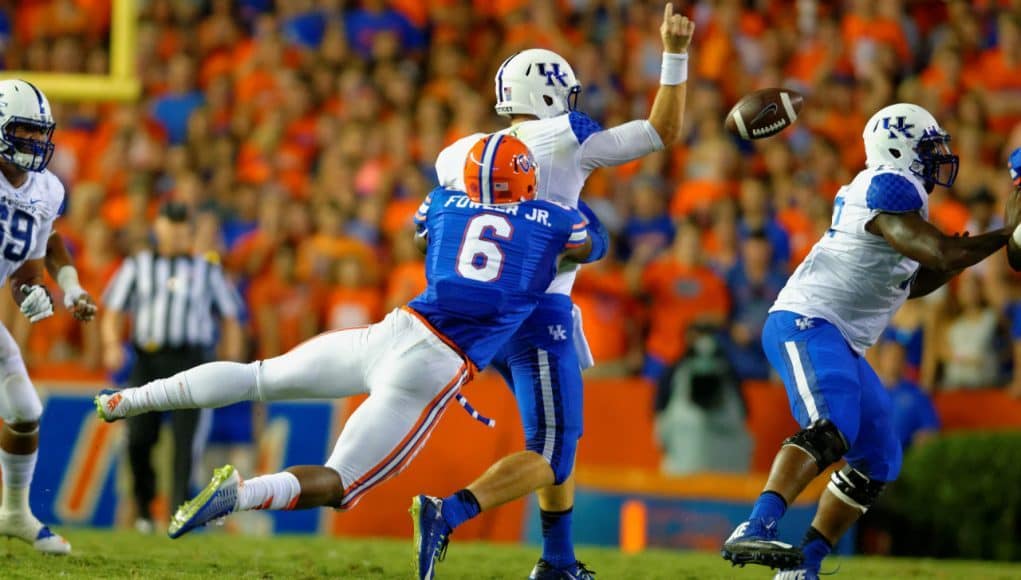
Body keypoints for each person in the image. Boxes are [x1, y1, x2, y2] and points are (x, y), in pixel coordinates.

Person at [92, 136, 597, 554]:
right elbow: (591, 245)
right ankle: (241, 494)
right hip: (434, 366)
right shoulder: (553, 219)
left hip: (390, 331)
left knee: (258, 375)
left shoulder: (444, 202)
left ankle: (129, 400)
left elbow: (423, 237)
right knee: (342, 483)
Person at [420, 6, 694, 579]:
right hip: (537, 309)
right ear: (551, 95)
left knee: (550, 435)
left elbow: (429, 227)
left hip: (475, 312)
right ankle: (447, 513)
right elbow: (662, 131)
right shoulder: (565, 136)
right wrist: (674, 51)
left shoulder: (458, 152)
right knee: (552, 448)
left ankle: (558, 561)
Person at [720, 102, 1019, 580]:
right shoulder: (887, 184)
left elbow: (916, 280)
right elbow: (940, 251)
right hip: (808, 319)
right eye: (928, 147)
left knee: (879, 457)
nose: (938, 155)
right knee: (831, 425)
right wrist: (1006, 236)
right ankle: (755, 524)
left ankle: (803, 568)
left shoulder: (900, 199)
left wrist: (993, 242)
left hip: (840, 337)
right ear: (899, 149)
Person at [100, 202, 245, 533]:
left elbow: (231, 315)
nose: (179, 234)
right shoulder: (138, 265)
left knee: (186, 440)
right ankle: (144, 505)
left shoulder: (206, 269)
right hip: (148, 359)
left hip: (190, 360)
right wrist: (111, 344)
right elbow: (113, 310)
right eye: (173, 226)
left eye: (184, 228)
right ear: (159, 228)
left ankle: (177, 513)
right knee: (138, 436)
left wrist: (231, 360)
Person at [0, 79, 98, 555]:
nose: (35, 143)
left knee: (24, 411)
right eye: (24, 131)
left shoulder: (46, 189)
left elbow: (27, 267)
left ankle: (15, 513)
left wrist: (30, 295)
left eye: (41, 134)